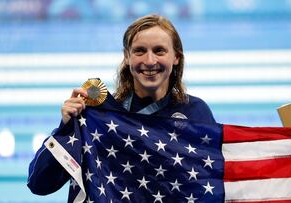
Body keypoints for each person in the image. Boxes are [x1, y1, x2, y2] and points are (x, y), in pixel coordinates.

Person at [27, 14, 215, 197]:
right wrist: (66, 128)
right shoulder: (100, 114)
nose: (150, 61)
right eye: (139, 51)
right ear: (127, 56)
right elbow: (39, 183)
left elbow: (215, 183)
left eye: (159, 51)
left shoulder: (195, 112)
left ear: (176, 57)